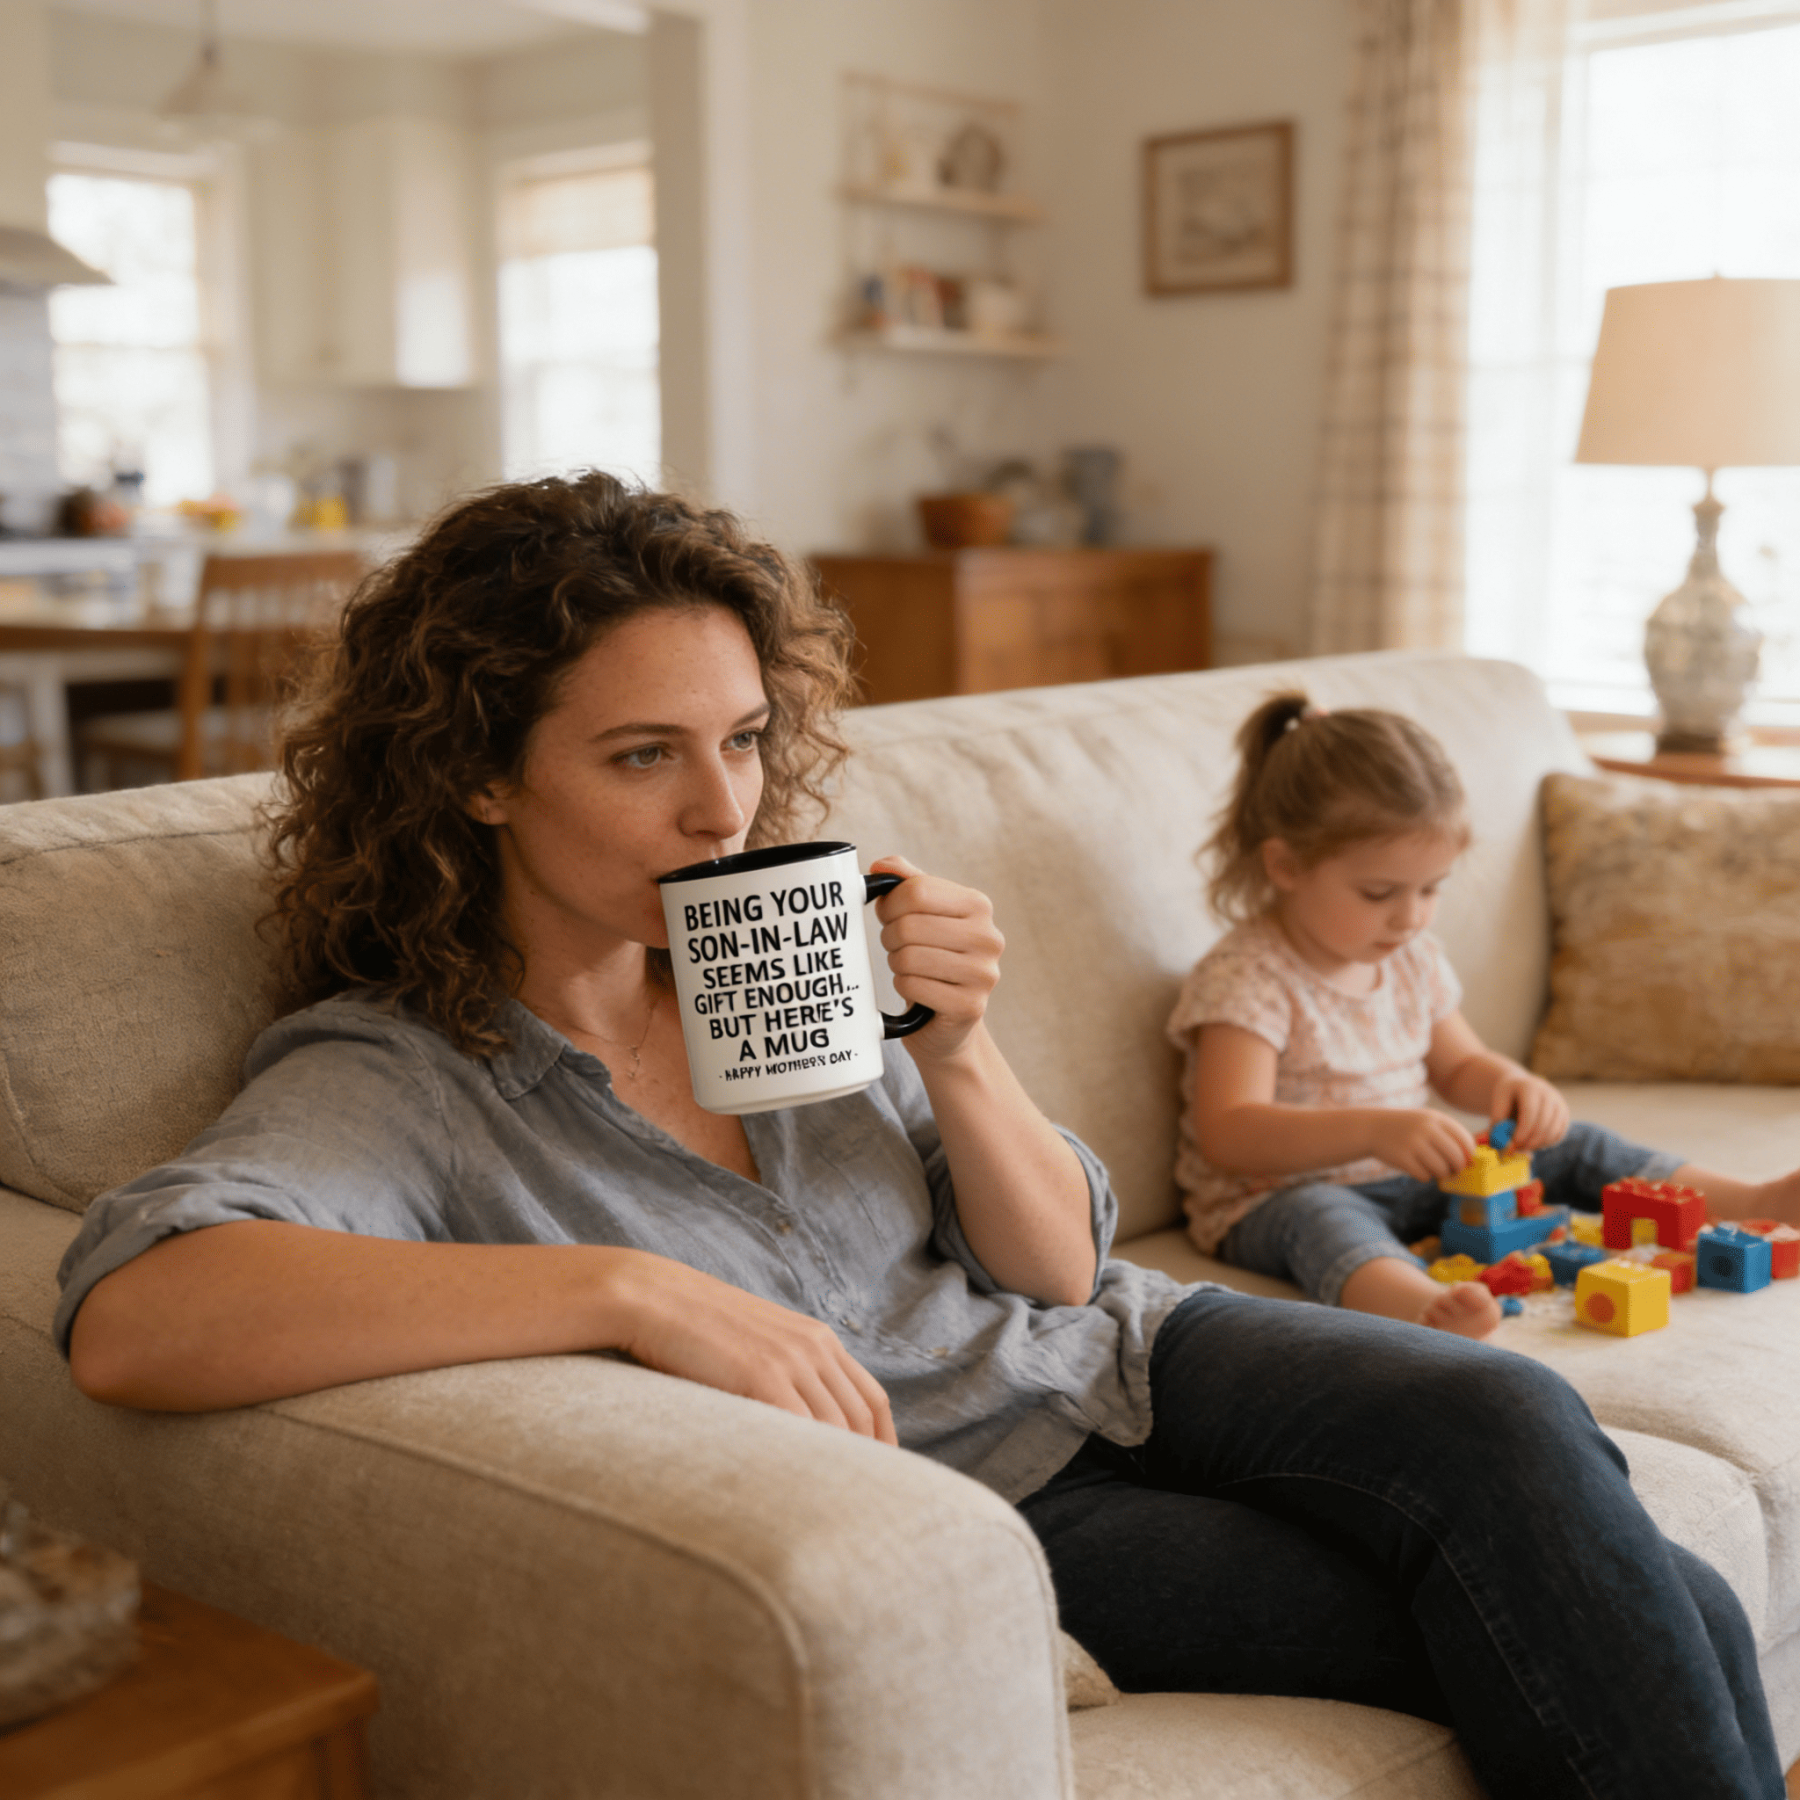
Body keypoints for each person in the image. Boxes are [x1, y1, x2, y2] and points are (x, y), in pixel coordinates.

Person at [56, 475, 1783, 1799]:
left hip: (1121, 1342)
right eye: (643, 754)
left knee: (1512, 1415)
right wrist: (619, 1291)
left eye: (740, 743)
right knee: (1650, 1611)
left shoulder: (783, 947)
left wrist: (961, 1052)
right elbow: (143, 1313)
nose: (721, 807)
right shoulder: (402, 1074)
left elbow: (1054, 1264)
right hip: (982, 1484)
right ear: (483, 778)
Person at [1169, 692, 1800, 1340]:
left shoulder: (1410, 958)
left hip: (1419, 1181)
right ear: (1285, 865)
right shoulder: (1248, 977)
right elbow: (1229, 1131)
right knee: (1322, 1217)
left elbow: (1460, 1063)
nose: (1410, 916)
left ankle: (1752, 1202)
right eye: (1379, 892)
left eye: (1431, 889)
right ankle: (1419, 1307)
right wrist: (1374, 1130)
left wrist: (1509, 1086)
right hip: (1274, 1197)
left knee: (1574, 1145)